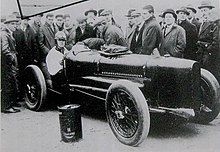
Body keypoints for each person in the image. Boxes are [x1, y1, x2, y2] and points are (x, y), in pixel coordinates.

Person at [196, 0, 220, 83]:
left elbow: (216, 43)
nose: (203, 13)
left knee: (209, 78)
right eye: (202, 11)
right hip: (201, 54)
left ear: (210, 10)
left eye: (205, 10)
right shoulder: (201, 23)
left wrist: (207, 48)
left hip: (209, 56)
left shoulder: (214, 24)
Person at [1, 15, 20, 113]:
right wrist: (12, 59)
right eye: (12, 24)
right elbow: (4, 50)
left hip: (9, 62)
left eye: (16, 23)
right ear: (7, 24)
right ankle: (6, 107)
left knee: (11, 82)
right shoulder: (4, 34)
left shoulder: (9, 33)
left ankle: (10, 104)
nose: (15, 25)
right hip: (6, 64)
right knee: (7, 84)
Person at [38, 13, 57, 88]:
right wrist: (49, 52)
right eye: (49, 19)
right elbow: (40, 43)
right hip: (46, 55)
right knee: (48, 74)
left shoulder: (55, 27)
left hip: (54, 54)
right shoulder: (42, 28)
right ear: (46, 19)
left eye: (52, 19)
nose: (51, 21)